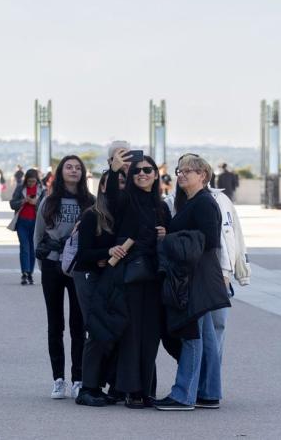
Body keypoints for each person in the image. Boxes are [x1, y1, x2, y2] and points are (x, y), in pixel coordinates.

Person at [155, 154, 230, 411]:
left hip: (195, 278)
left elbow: (209, 241)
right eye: (180, 170)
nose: (182, 174)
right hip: (199, 276)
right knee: (206, 337)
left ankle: (184, 394)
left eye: (189, 171)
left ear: (203, 176)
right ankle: (208, 392)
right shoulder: (193, 202)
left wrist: (168, 238)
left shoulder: (204, 203)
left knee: (191, 336)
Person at [106, 149, 172, 408]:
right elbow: (111, 199)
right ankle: (130, 389)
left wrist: (166, 234)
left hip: (154, 277)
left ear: (156, 175)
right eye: (137, 171)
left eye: (147, 170)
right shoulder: (126, 200)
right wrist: (114, 171)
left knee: (150, 335)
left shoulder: (161, 206)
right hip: (131, 275)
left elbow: (172, 237)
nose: (142, 174)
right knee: (131, 333)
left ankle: (146, 389)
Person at [34, 155, 95, 400]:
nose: (73, 171)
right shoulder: (48, 201)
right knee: (55, 323)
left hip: (78, 267)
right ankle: (58, 379)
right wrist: (43, 264)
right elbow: (38, 235)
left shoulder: (90, 202)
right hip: (52, 264)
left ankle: (78, 378)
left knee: (78, 324)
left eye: (77, 167)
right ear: (60, 172)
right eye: (68, 167)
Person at [73, 170, 123, 407]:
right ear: (102, 187)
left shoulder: (119, 215)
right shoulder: (92, 215)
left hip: (105, 277)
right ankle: (87, 388)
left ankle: (99, 384)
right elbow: (83, 254)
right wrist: (106, 253)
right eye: (114, 182)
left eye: (123, 182)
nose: (119, 186)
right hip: (87, 276)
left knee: (108, 331)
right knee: (95, 329)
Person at [9, 168, 44, 285]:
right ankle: (24, 272)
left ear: (37, 180)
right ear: (26, 180)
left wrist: (36, 203)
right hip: (22, 222)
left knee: (32, 248)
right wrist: (23, 201)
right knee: (24, 247)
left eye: (33, 181)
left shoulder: (42, 189)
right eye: (29, 181)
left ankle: (30, 273)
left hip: (35, 222)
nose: (31, 184)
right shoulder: (20, 188)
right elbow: (12, 204)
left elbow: (47, 206)